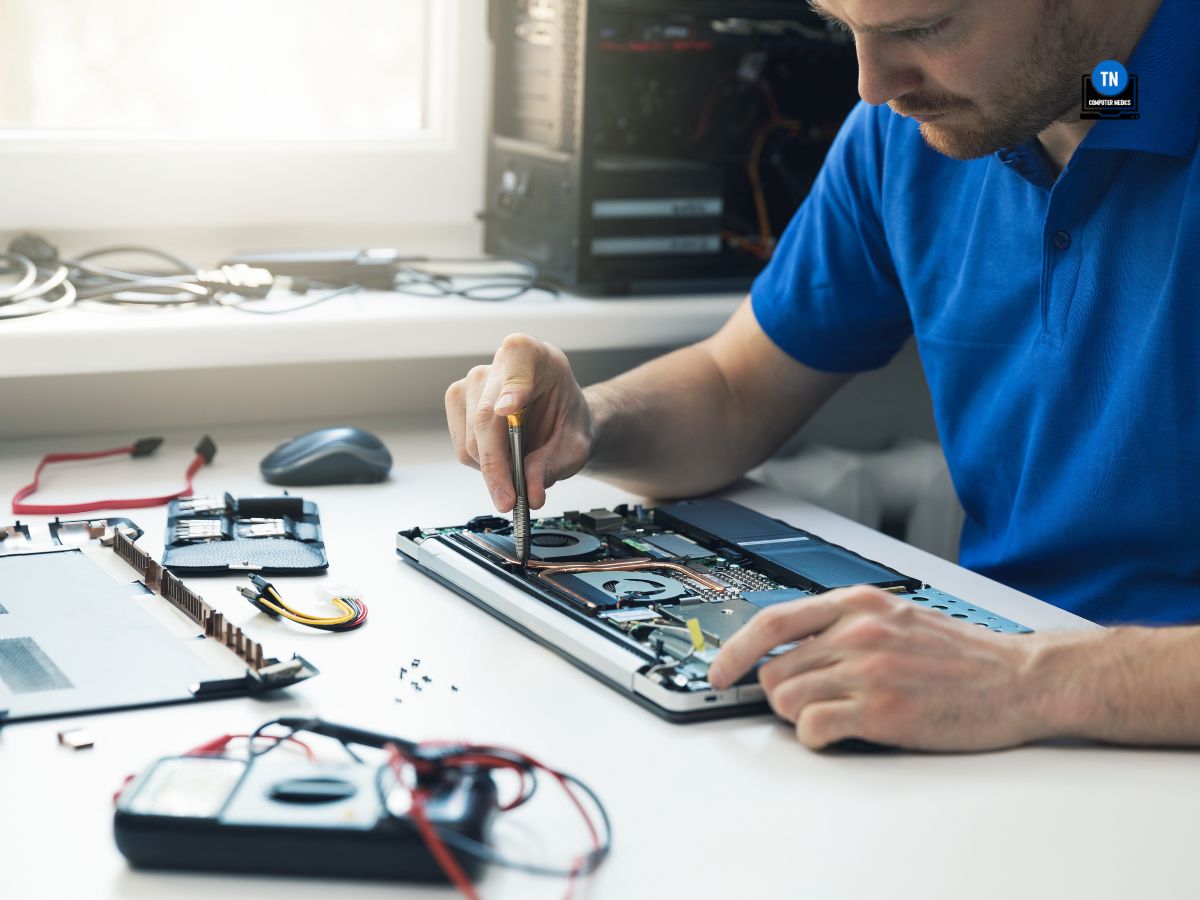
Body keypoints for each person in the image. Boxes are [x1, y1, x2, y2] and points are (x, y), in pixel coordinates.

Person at [446, 0, 1200, 752]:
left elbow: (1028, 677)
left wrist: (1029, 677)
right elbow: (736, 389)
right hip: (1005, 708)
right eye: (844, 28)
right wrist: (588, 419)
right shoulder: (913, 132)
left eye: (921, 29)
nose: (873, 84)